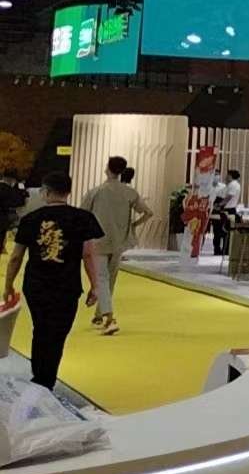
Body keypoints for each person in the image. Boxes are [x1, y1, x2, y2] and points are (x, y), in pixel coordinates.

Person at [4, 174, 105, 389]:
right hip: (67, 286)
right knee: (58, 333)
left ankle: (40, 376)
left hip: (36, 285)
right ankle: (46, 379)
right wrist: (95, 286)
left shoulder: (30, 219)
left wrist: (8, 285)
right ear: (68, 192)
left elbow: (16, 257)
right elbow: (88, 255)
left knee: (40, 328)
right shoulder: (83, 218)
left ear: (46, 192)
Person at [80, 156, 151, 335]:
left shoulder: (96, 192)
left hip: (98, 240)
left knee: (101, 278)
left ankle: (109, 318)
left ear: (107, 169)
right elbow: (148, 212)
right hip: (119, 240)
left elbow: (82, 215)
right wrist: (133, 225)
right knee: (110, 279)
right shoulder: (129, 192)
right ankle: (100, 314)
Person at [211, 169, 242, 256]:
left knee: (224, 231)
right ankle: (219, 249)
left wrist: (219, 205)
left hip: (227, 209)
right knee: (218, 230)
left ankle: (225, 249)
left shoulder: (233, 185)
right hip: (223, 208)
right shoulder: (229, 185)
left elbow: (228, 197)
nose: (225, 177)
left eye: (227, 175)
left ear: (230, 176)